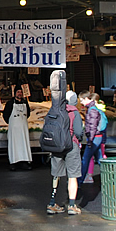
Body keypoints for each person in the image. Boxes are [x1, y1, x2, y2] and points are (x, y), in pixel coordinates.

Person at [46, 71, 83, 216]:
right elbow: (79, 132)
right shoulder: (74, 113)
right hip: (71, 145)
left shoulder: (55, 111)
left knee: (56, 174)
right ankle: (72, 205)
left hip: (56, 146)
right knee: (72, 175)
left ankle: (52, 202)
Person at [76, 91, 108, 186]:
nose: (81, 102)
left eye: (82, 100)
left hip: (95, 138)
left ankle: (79, 181)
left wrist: (90, 140)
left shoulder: (92, 110)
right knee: (100, 159)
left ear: (86, 99)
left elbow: (93, 126)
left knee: (86, 159)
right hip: (98, 137)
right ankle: (109, 177)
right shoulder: (93, 108)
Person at [2, 85, 32, 171]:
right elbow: (6, 115)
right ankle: (14, 162)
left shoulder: (25, 102)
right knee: (14, 144)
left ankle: (25, 162)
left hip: (23, 127)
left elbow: (28, 113)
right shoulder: (10, 103)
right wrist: (11, 123)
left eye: (21, 92)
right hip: (14, 127)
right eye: (18, 92)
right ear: (14, 93)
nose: (20, 94)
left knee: (24, 143)